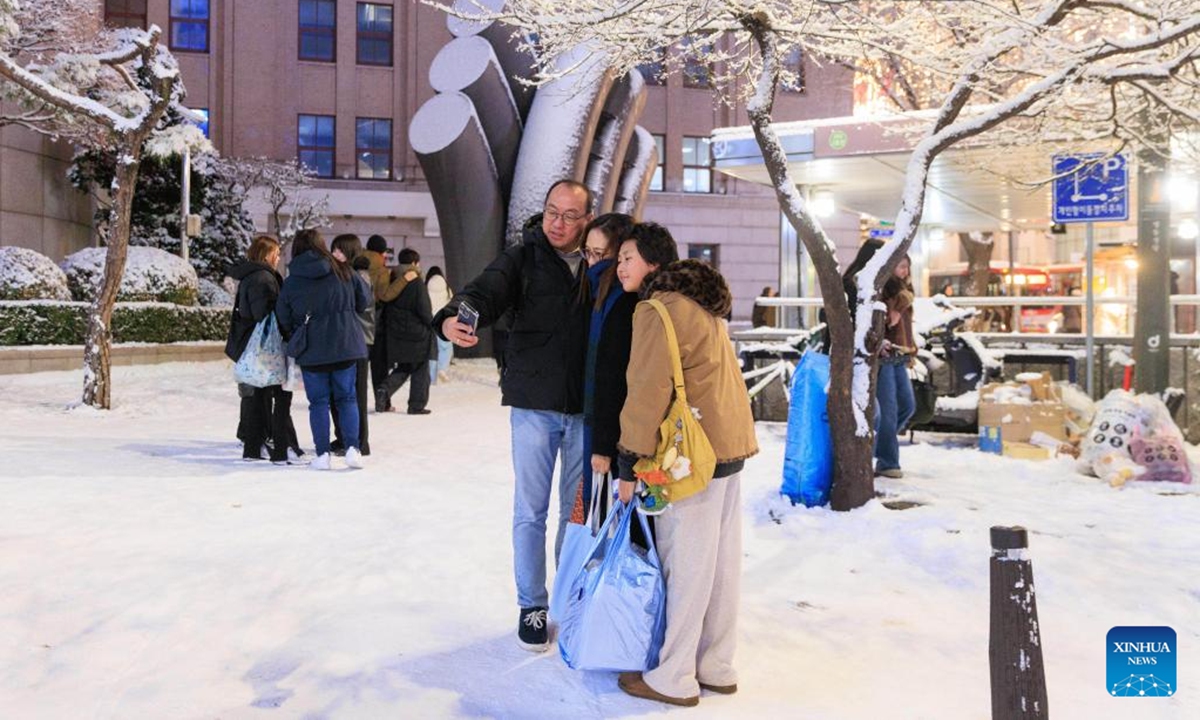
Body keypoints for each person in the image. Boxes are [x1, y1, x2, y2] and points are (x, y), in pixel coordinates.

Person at [432, 179, 592, 651]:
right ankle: (532, 604)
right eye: (552, 212)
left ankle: (569, 597)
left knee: (578, 514)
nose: (558, 223)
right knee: (530, 510)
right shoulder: (522, 258)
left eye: (570, 216)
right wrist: (452, 317)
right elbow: (481, 293)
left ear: (586, 219)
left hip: (586, 409)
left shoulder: (599, 262)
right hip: (534, 406)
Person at [614, 238, 759, 707]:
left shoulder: (657, 309)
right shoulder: (704, 305)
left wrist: (629, 457)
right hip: (728, 445)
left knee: (688, 566)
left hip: (690, 455)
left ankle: (673, 675)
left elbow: (647, 390)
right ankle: (716, 665)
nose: (619, 266)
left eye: (627, 258)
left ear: (653, 264)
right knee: (720, 565)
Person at [276, 229, 371, 471]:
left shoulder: (292, 280)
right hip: (346, 344)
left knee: (318, 403)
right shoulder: (342, 270)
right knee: (347, 398)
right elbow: (364, 300)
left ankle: (322, 455)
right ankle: (353, 449)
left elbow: (283, 316)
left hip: (312, 349)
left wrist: (297, 331)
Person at [578, 213, 636, 514]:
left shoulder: (623, 300)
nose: (591, 262)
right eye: (587, 252)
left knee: (606, 515)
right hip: (598, 425)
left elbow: (613, 377)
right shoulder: (598, 292)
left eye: (599, 254)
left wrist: (603, 445)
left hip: (612, 435)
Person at [225, 235, 295, 464]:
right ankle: (262, 444)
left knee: (256, 395)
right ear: (266, 254)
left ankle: (254, 445)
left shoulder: (252, 275)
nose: (279, 257)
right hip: (261, 346)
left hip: (248, 341)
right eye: (276, 253)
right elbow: (263, 314)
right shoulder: (263, 278)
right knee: (265, 395)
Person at [329, 234, 374, 455]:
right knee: (340, 394)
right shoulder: (344, 274)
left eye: (340, 250)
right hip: (346, 341)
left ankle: (359, 441)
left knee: (356, 394)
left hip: (357, 341)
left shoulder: (358, 276)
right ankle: (344, 438)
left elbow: (362, 306)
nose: (335, 254)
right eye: (333, 249)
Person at [874, 254, 917, 479]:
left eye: (907, 267)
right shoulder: (886, 292)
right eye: (901, 266)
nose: (905, 271)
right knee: (889, 411)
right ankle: (888, 461)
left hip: (900, 354)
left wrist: (911, 349)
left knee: (908, 406)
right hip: (886, 355)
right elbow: (883, 322)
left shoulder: (903, 292)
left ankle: (877, 445)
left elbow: (906, 327)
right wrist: (897, 307)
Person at [378, 248, 434, 415]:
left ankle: (384, 389)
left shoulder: (394, 278)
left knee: (405, 366)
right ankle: (416, 405)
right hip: (417, 333)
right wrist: (432, 324)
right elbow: (424, 309)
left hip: (396, 332)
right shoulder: (416, 282)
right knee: (420, 367)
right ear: (414, 263)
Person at [363, 235, 393, 395]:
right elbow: (384, 295)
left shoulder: (356, 263)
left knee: (359, 367)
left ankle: (357, 401)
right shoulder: (382, 269)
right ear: (382, 251)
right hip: (377, 321)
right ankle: (382, 401)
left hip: (359, 321)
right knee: (379, 365)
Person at [426, 265, 453, 385]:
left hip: (430, 321)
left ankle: (432, 377)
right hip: (443, 321)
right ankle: (442, 369)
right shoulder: (447, 288)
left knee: (432, 350)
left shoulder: (425, 287)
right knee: (446, 347)